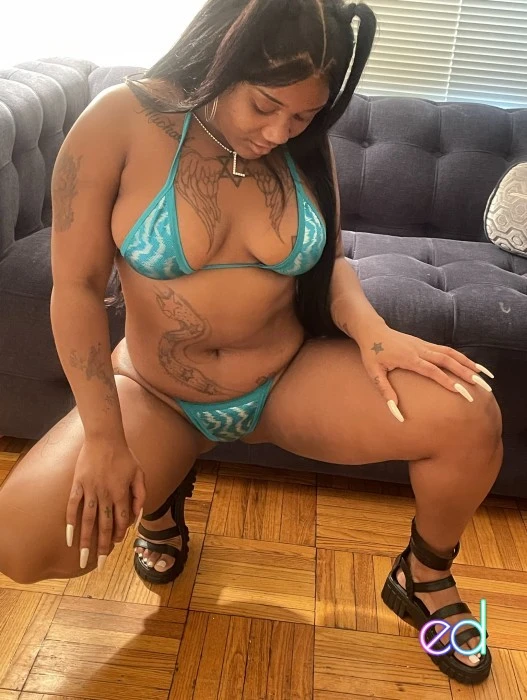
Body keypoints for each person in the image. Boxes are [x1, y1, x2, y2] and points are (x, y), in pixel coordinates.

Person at [0, 0, 502, 686]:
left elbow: (329, 263)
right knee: (21, 544)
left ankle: (423, 575)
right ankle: (160, 499)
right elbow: (77, 289)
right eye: (265, 106)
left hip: (285, 381)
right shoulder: (120, 120)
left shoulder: (299, 140)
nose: (278, 132)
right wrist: (105, 437)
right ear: (221, 55)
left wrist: (374, 333)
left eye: (302, 116)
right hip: (158, 395)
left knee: (468, 412)